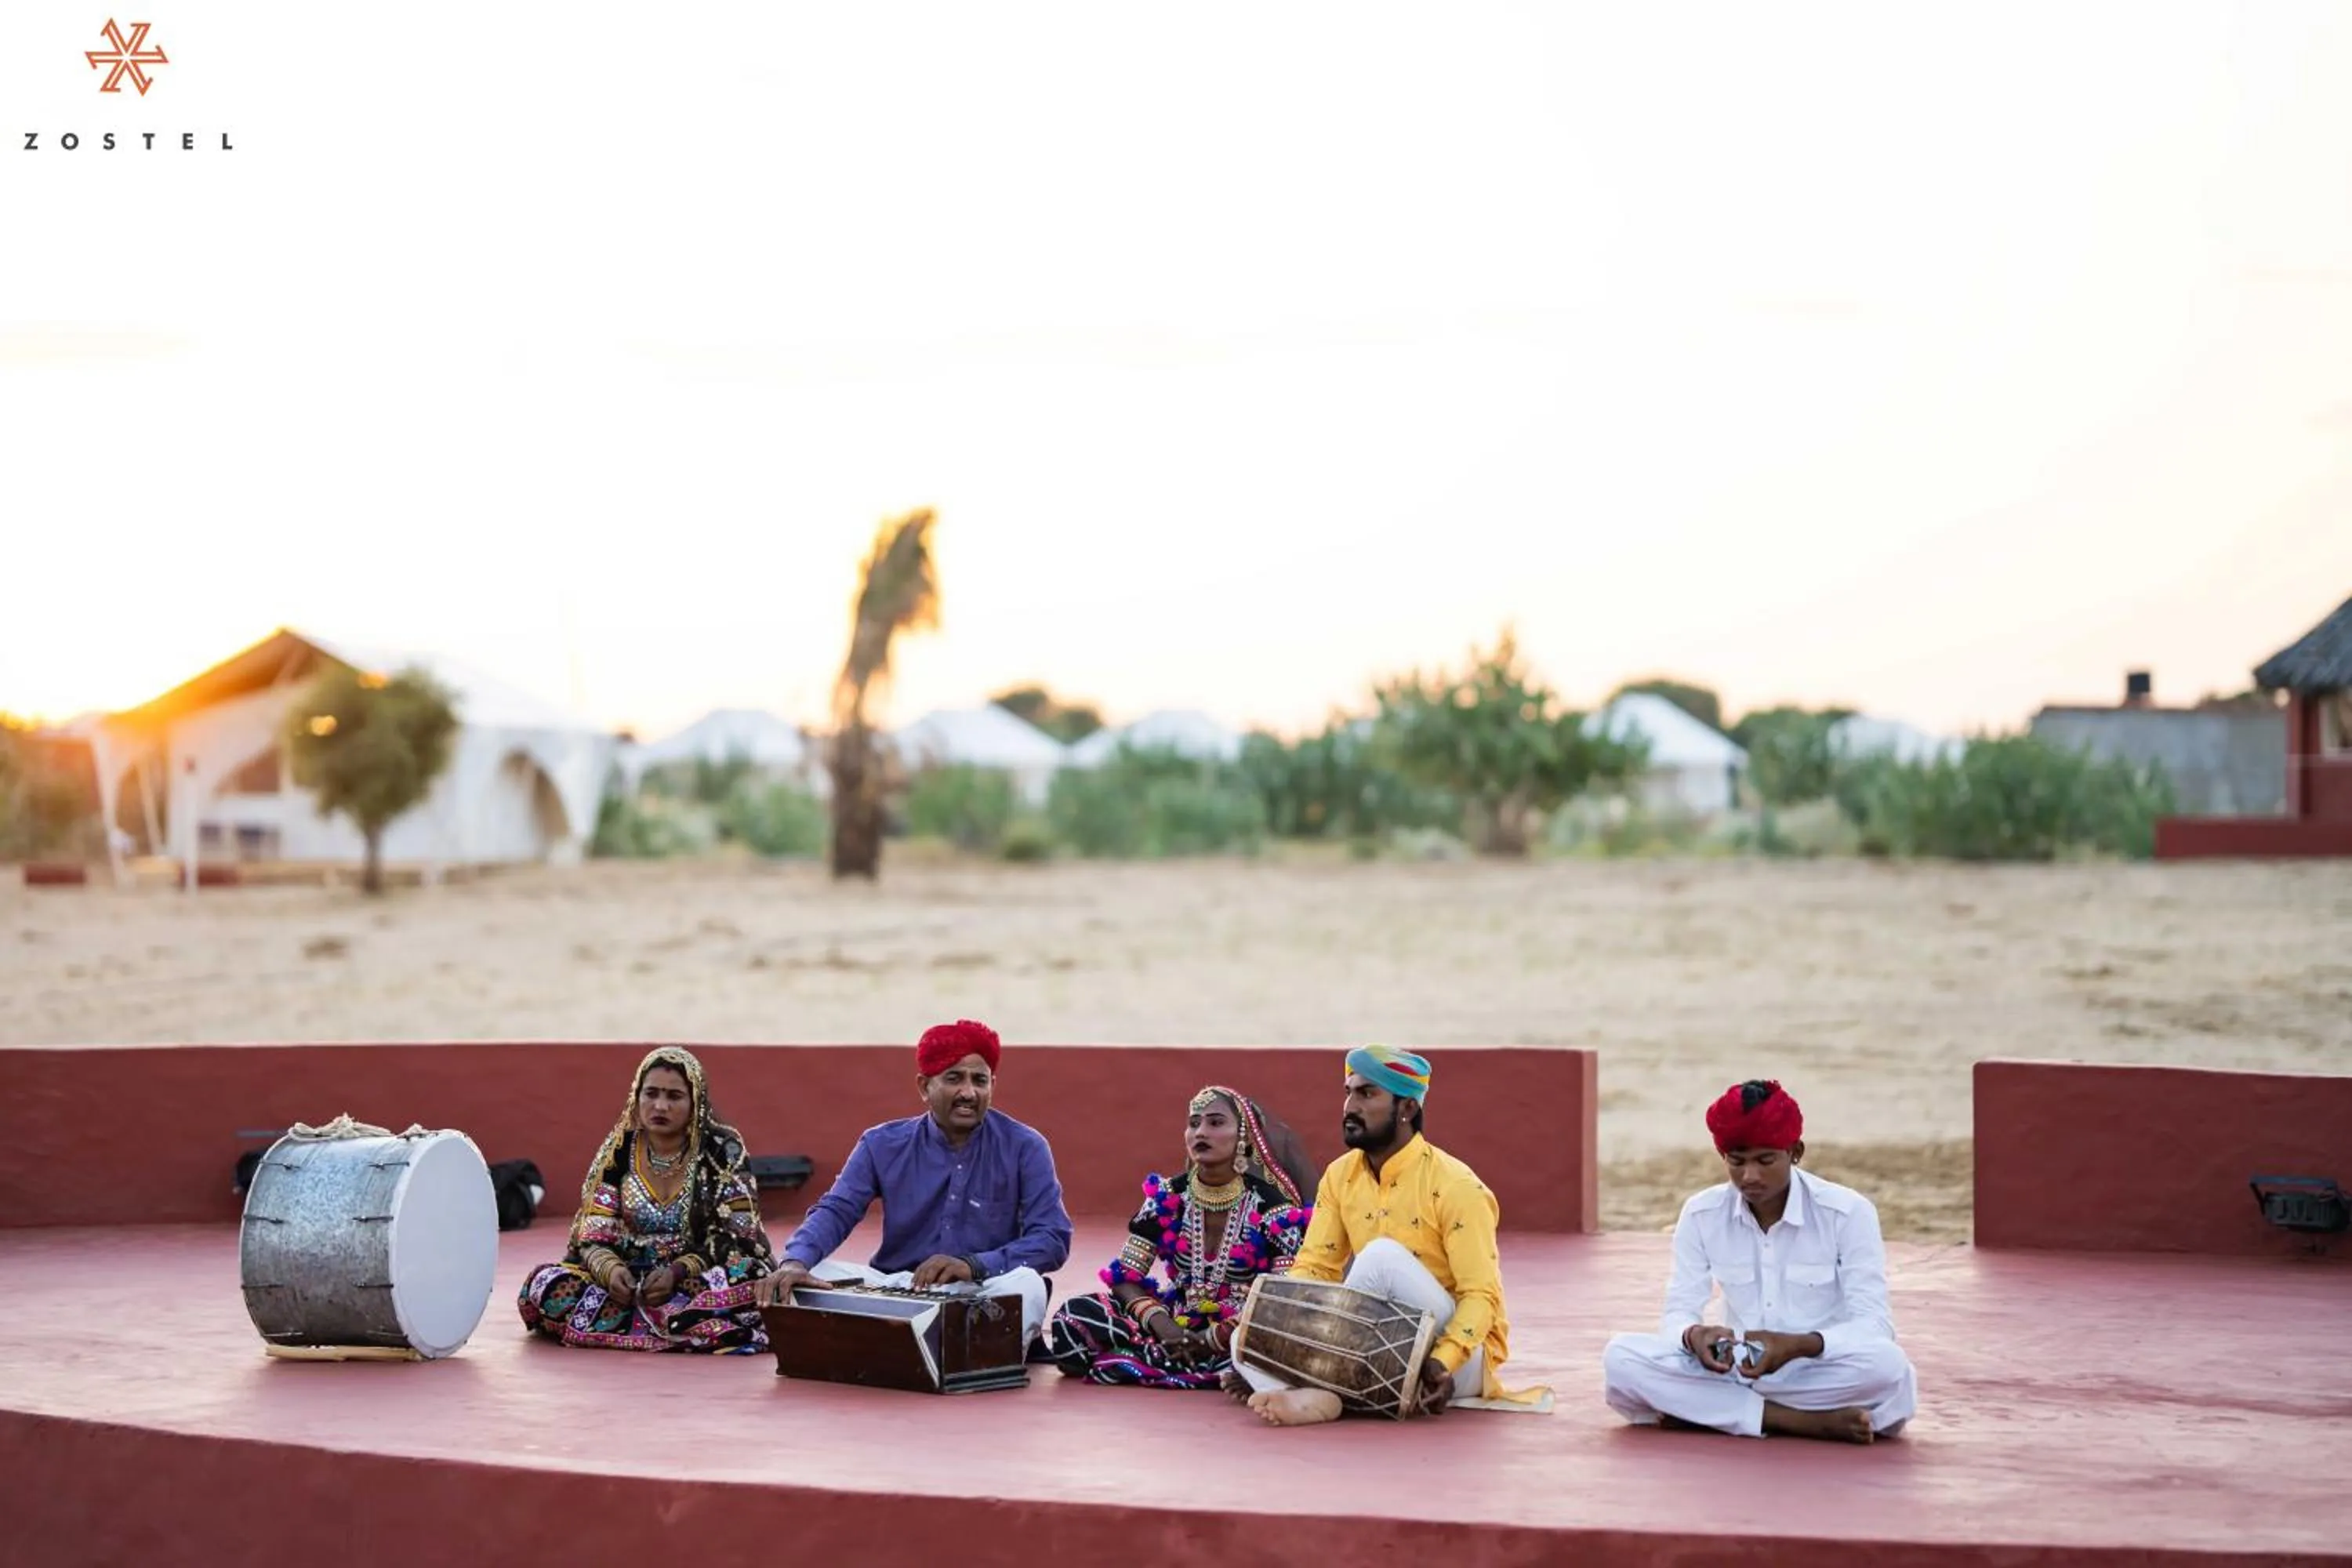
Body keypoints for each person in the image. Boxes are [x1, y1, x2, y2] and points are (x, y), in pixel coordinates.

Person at [1223, 1045, 1552, 1425]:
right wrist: (1280, 1322)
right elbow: (1315, 1268)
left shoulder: (1457, 1185)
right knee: (1244, 1335)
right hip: (1371, 1349)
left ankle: (1312, 1388)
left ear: (1408, 1109)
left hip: (1451, 1365)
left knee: (1381, 1258)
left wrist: (1441, 1362)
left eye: (1366, 1094)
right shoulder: (1339, 1175)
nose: (1350, 1107)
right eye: (1348, 1092)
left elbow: (1482, 1296)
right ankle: (1316, 1397)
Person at [1599, 1079, 1918, 1444]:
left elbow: (1874, 1325)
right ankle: (1794, 1421)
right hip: (1735, 1370)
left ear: (1795, 1152)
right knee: (1621, 1358)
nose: (1750, 1176)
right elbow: (1678, 1311)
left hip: (1820, 1368)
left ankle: (1709, 1412)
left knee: (1889, 1368)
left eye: (1765, 1160)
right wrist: (1693, 1336)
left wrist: (1797, 1345)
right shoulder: (1702, 1213)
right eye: (1736, 1162)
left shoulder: (1848, 1213)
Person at [752, 1019, 1072, 1346]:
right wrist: (795, 1262)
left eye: (980, 1080)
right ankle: (944, 1346)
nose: (968, 1093)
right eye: (953, 1079)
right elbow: (837, 1210)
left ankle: (921, 1349)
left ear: (992, 1085)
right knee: (812, 1278)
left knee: (1027, 1285)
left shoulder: (1025, 1146)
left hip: (981, 1287)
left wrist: (973, 1264)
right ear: (923, 1087)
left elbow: (1052, 1238)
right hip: (898, 1288)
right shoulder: (881, 1144)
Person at [1044, 1084, 1316, 1388]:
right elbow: (1125, 1276)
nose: (1201, 1132)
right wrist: (1165, 1327)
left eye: (1215, 1123)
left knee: (1282, 1336)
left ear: (1243, 1136)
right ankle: (1188, 1358)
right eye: (1194, 1123)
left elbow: (1281, 1292)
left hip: (1241, 1329)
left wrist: (1213, 1338)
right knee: (1073, 1318)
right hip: (1174, 1322)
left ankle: (1166, 1360)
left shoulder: (1274, 1207)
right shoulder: (1166, 1197)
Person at [517, 1046, 779, 1353]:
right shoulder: (619, 1150)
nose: (660, 1106)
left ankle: (633, 1327)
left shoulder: (723, 1149)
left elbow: (738, 1237)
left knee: (755, 1279)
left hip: (694, 1279)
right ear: (637, 1097)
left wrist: (677, 1271)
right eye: (651, 1094)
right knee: (545, 1283)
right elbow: (594, 1232)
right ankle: (686, 1328)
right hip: (628, 1284)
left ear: (696, 1102)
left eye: (674, 1097)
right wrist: (611, 1271)